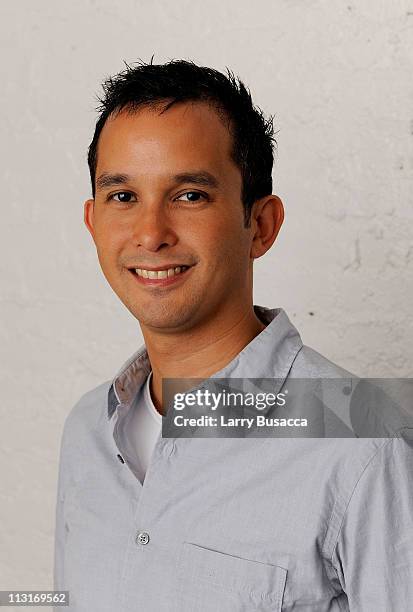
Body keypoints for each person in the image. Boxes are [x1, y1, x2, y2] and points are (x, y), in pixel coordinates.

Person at [53, 58, 413, 611]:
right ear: (93, 222)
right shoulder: (87, 431)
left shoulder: (365, 445)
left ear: (261, 225)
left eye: (190, 195)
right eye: (123, 197)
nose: (151, 234)